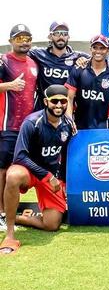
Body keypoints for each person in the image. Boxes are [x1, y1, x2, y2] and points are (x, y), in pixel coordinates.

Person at [0, 85, 74, 254]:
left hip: (51, 176)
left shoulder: (68, 124)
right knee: (13, 176)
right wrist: (47, 176)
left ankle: (15, 218)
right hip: (29, 171)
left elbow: (66, 155)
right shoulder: (32, 122)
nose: (59, 105)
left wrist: (62, 182)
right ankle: (10, 234)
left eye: (63, 101)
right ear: (46, 101)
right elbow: (19, 156)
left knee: (52, 225)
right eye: (54, 101)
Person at [0, 24, 39, 228]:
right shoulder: (4, 61)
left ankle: (11, 213)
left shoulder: (33, 62)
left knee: (20, 171)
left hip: (28, 126)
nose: (23, 41)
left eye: (27, 38)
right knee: (3, 170)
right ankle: (1, 213)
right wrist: (9, 86)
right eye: (19, 38)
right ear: (11, 41)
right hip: (8, 125)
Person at [65, 35, 109, 130]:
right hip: (79, 127)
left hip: (104, 127)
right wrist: (70, 121)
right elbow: (69, 98)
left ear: (108, 50)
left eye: (102, 48)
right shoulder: (79, 68)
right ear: (90, 49)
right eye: (95, 47)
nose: (98, 51)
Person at [29, 21, 88, 110]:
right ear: (50, 36)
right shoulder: (39, 54)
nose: (61, 37)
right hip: (42, 110)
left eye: (64, 34)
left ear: (68, 36)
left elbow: (101, 59)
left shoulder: (77, 57)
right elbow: (17, 54)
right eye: (57, 33)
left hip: (65, 110)